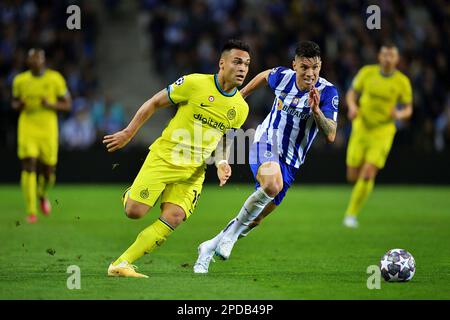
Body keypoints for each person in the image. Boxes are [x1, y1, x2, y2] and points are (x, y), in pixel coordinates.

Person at [103, 39, 251, 278]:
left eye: (247, 64)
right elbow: (154, 102)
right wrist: (129, 132)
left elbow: (224, 140)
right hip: (166, 157)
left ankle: (122, 263)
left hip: (193, 171)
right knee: (134, 212)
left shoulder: (240, 108)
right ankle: (131, 195)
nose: (243, 68)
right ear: (222, 63)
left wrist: (222, 162)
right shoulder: (194, 83)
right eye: (237, 62)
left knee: (175, 216)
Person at [194, 41, 339, 273]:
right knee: (272, 184)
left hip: (291, 161)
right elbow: (264, 76)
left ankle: (210, 246)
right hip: (266, 141)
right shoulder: (283, 77)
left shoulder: (328, 92)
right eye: (304, 67)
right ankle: (228, 239)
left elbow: (330, 134)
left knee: (256, 219)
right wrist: (240, 95)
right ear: (295, 66)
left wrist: (316, 111)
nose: (310, 73)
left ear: (320, 66)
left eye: (315, 67)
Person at [343, 43, 413, 228]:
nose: (388, 58)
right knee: (352, 175)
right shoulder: (367, 72)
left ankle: (351, 214)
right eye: (385, 55)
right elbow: (351, 93)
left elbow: (408, 109)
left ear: (397, 59)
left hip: (383, 131)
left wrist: (399, 114)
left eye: (392, 55)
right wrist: (352, 106)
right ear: (379, 57)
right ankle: (362, 188)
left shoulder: (402, 82)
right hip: (361, 127)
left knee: (367, 173)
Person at [12, 48, 71, 224]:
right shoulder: (20, 80)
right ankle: (31, 211)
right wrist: (18, 105)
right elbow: (14, 102)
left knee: (48, 172)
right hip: (27, 126)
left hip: (48, 129)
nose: (35, 61)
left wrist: (51, 104)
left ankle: (42, 194)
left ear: (44, 61)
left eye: (38, 58)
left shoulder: (55, 79)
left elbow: (67, 105)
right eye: (32, 59)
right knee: (28, 164)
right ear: (28, 62)